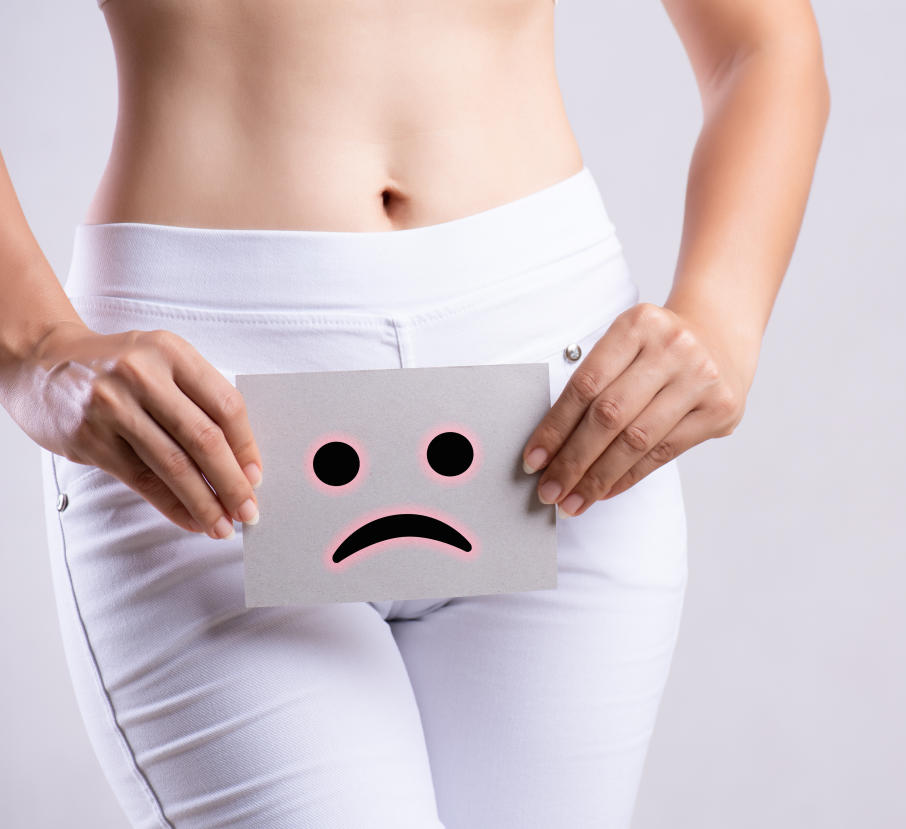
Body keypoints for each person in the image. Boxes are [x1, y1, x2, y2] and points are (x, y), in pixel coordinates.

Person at [0, 0, 829, 825]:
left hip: (564, 412)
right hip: (201, 428)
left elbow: (764, 42)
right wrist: (31, 343)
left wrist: (722, 316)